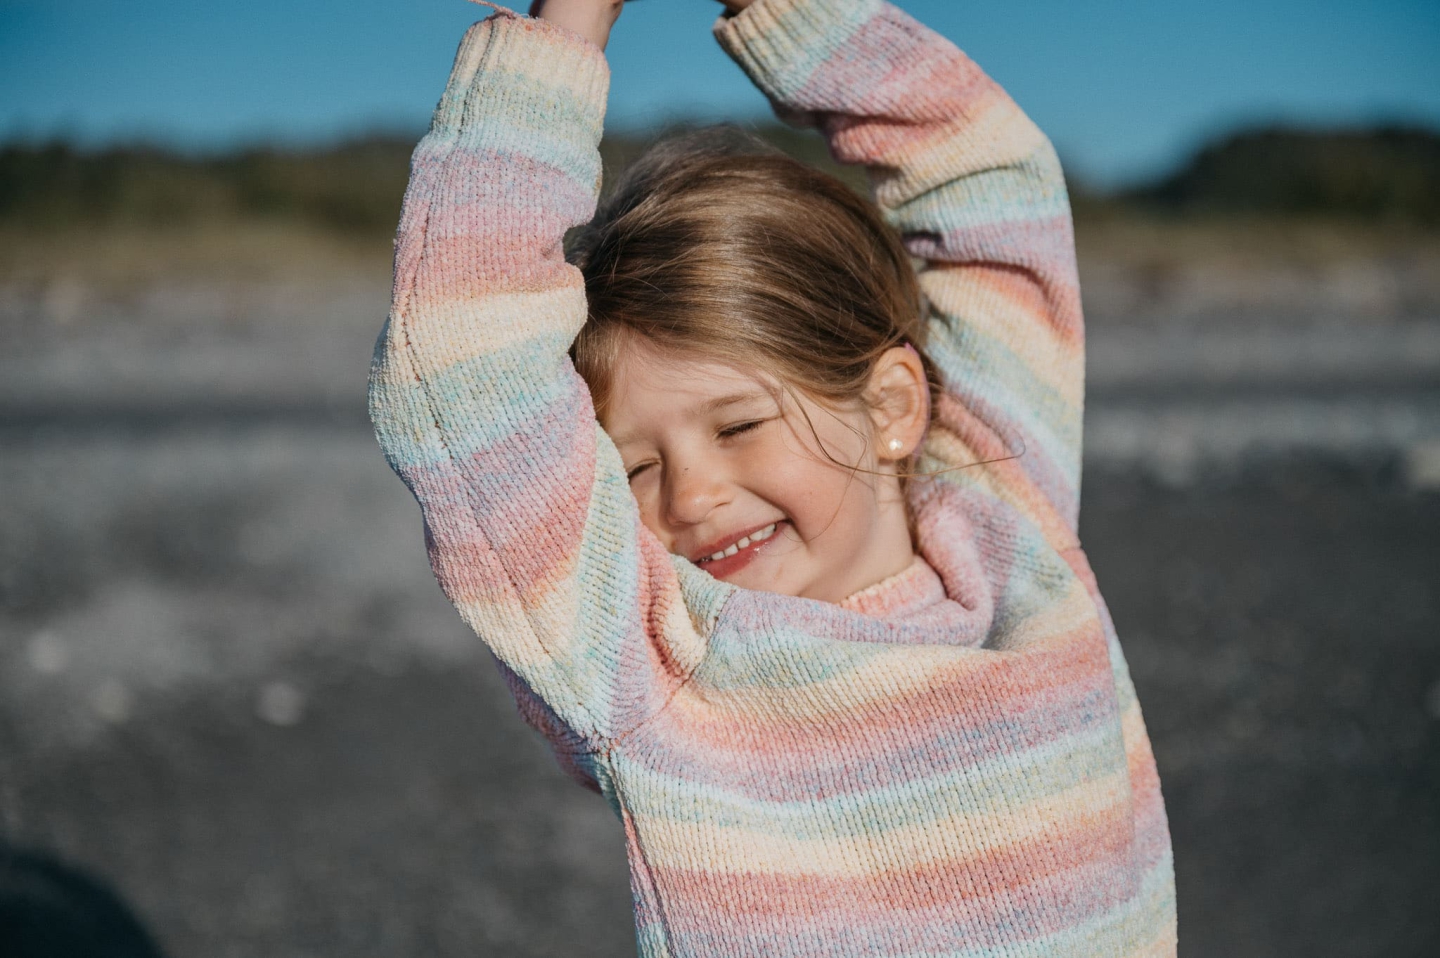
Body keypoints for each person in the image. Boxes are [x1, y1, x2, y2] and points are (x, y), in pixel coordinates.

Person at [368, 0, 1178, 954]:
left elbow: (987, 175)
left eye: (740, 425)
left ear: (889, 409)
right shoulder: (652, 661)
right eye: (633, 466)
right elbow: (460, 371)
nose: (693, 495)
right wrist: (569, 26)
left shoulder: (1007, 517)